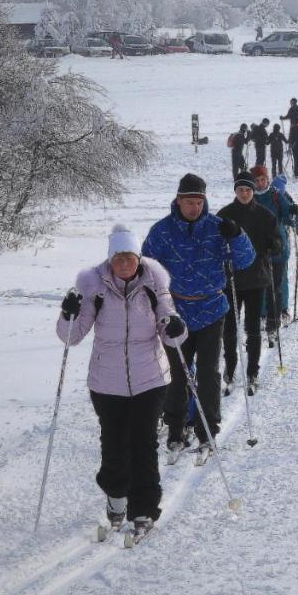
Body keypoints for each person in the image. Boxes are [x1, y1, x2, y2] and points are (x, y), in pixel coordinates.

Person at [57, 224, 187, 537]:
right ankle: (116, 497)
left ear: (138, 257)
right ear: (110, 258)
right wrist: (68, 313)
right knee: (113, 445)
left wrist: (175, 327)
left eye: (129, 256)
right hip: (106, 382)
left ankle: (144, 509)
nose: (124, 263)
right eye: (118, 257)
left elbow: (172, 330)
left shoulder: (153, 283)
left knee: (143, 444)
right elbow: (72, 336)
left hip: (150, 379)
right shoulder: (94, 287)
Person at [142, 173, 255, 456]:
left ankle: (208, 429)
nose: (194, 207)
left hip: (211, 309)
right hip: (176, 312)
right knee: (177, 374)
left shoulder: (218, 227)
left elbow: (246, 259)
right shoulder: (162, 231)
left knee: (208, 373)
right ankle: (176, 429)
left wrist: (238, 235)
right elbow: (146, 269)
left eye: (198, 202)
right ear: (178, 200)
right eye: (189, 202)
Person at [218, 171, 282, 394]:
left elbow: (278, 243)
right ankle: (231, 367)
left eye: (247, 190)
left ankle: (252, 370)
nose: (244, 194)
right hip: (231, 280)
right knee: (229, 328)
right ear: (235, 191)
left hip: (256, 279)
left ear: (253, 191)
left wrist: (272, 244)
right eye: (240, 190)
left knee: (253, 327)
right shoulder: (225, 215)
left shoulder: (265, 215)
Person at [255, 170, 298, 325]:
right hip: (257, 247)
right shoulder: (250, 196)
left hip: (279, 244)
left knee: (280, 278)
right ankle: (263, 313)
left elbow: (289, 215)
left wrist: (297, 222)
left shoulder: (278, 195)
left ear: (267, 180)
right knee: (260, 280)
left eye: (263, 179)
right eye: (257, 180)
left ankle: (282, 309)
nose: (260, 183)